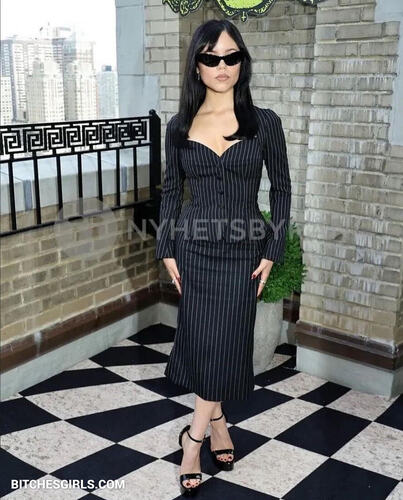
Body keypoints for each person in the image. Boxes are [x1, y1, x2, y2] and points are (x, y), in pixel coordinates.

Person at [155, 19, 292, 497]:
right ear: (197, 64)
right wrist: (165, 247)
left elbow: (281, 189)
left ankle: (191, 440)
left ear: (242, 62)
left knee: (225, 343)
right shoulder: (179, 126)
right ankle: (216, 426)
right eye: (211, 57)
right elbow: (170, 192)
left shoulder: (264, 122)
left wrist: (273, 250)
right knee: (203, 341)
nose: (222, 66)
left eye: (231, 56)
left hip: (243, 252)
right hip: (193, 249)